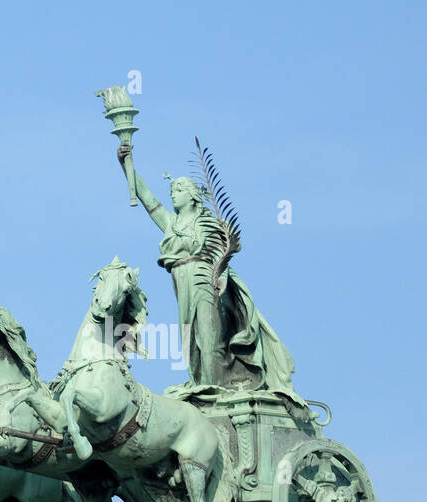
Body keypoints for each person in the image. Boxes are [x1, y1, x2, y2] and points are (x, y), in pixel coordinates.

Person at [117, 144, 300, 402]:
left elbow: (222, 253)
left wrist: (220, 274)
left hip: (205, 279)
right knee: (190, 338)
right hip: (181, 282)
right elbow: (148, 199)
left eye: (179, 189)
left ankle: (213, 389)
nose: (173, 194)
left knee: (207, 332)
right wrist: (127, 164)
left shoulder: (208, 223)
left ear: (193, 195)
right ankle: (201, 382)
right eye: (172, 190)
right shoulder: (172, 223)